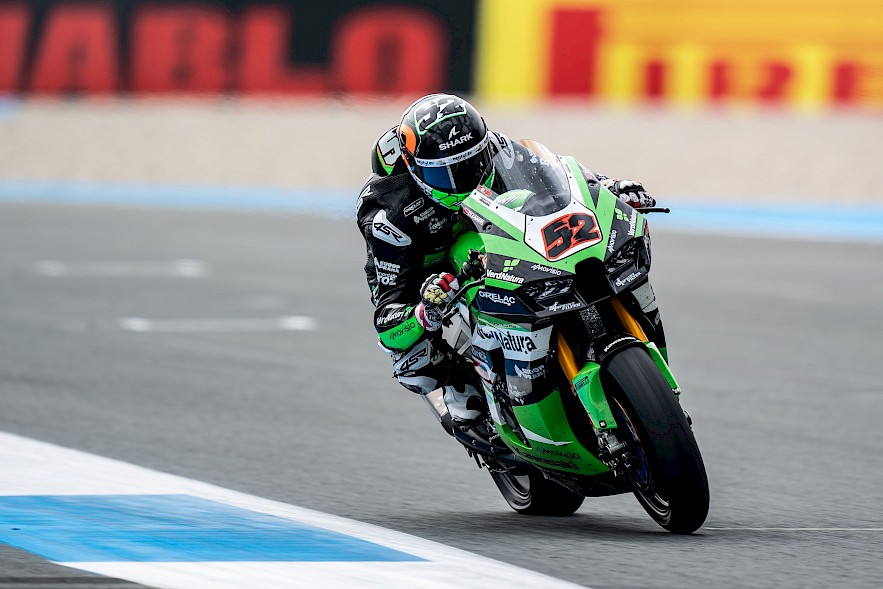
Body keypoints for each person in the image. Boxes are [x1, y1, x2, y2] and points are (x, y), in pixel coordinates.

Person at [356, 93, 661, 425]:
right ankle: (462, 386)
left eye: (470, 164)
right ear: (415, 169)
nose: (463, 180)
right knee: (413, 361)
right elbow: (387, 321)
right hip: (431, 272)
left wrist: (608, 186)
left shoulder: (498, 149)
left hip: (496, 235)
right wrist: (423, 312)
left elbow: (563, 179)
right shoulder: (389, 215)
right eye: (446, 174)